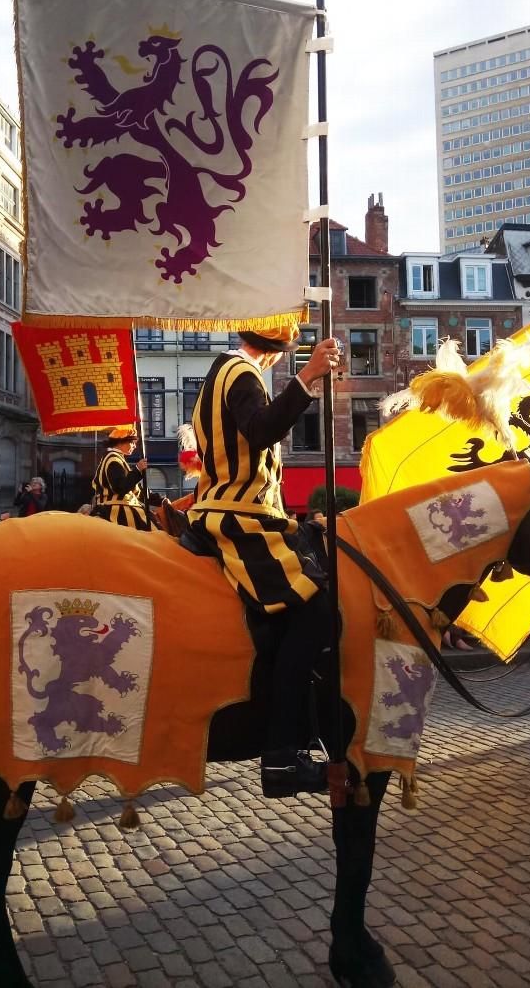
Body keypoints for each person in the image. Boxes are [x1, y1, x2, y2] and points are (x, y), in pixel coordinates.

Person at [187, 321, 341, 798]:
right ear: (277, 352)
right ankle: (279, 756)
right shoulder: (240, 371)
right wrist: (309, 375)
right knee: (316, 610)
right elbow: (261, 430)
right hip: (239, 519)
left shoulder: (223, 373)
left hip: (242, 512)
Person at [91, 426, 149, 530]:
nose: (134, 446)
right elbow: (120, 487)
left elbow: (134, 488)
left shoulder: (115, 458)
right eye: (132, 442)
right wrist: (138, 469)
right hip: (118, 510)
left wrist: (159, 500)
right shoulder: (113, 459)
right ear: (121, 441)